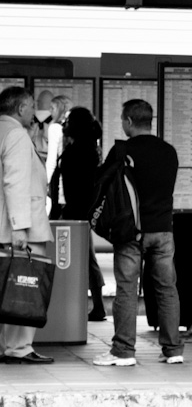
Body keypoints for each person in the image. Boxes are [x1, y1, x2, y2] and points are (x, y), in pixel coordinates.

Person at [93, 99, 182, 367]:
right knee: (167, 289)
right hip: (164, 231)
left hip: (132, 232)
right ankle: (173, 348)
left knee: (127, 290)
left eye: (122, 120)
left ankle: (123, 351)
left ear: (129, 121)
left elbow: (103, 185)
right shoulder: (169, 152)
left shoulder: (122, 151)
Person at [0, 87, 54, 364]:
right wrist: (19, 227)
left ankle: (7, 346)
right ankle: (18, 348)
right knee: (23, 285)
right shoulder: (16, 135)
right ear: (21, 109)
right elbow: (16, 181)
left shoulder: (4, 131)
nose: (34, 113)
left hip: (4, 224)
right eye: (32, 107)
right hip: (21, 227)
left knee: (4, 285)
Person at [55, 107, 107, 322]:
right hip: (81, 212)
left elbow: (72, 187)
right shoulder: (90, 148)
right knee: (87, 258)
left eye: (67, 121)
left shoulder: (78, 151)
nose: (63, 124)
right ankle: (97, 305)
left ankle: (91, 306)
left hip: (75, 212)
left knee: (80, 259)